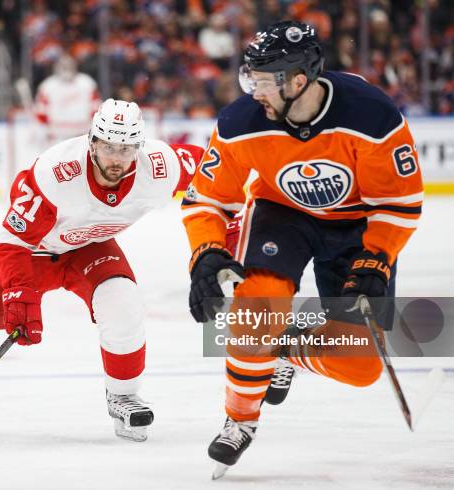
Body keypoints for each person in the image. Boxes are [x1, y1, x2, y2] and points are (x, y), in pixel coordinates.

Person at [0, 99, 203, 442]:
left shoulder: (162, 165)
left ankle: (122, 395)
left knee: (123, 302)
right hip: (29, 253)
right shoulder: (55, 172)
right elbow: (10, 244)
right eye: (107, 147)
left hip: (87, 249)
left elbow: (220, 165)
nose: (116, 159)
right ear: (91, 141)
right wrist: (19, 295)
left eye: (125, 149)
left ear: (140, 147)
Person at [181, 21, 423, 476]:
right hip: (283, 216)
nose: (253, 91)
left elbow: (400, 203)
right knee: (254, 313)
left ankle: (286, 347)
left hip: (357, 224)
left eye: (263, 80)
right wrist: (207, 252)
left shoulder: (372, 115)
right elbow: (207, 199)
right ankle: (240, 421)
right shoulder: (240, 123)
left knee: (361, 365)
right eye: (248, 78)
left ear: (298, 80)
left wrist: (378, 257)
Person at [34, 54, 101, 145]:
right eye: (64, 67)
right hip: (56, 136)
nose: (66, 70)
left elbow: (96, 108)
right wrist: (44, 130)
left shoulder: (86, 83)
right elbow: (41, 111)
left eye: (69, 66)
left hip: (82, 134)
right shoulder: (48, 86)